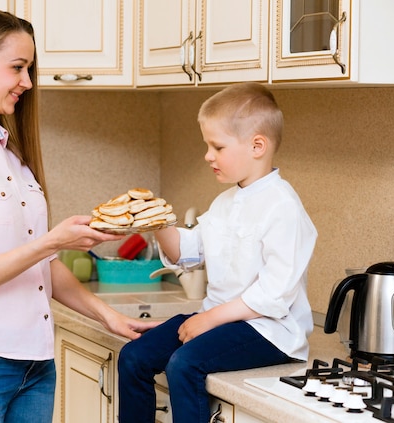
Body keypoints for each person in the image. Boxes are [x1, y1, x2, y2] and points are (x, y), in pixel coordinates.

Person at [0, 9, 158, 423]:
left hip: (37, 365)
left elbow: (42, 264)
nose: (28, 81)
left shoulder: (11, 155)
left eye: (30, 68)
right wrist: (51, 241)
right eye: (18, 67)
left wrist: (107, 315)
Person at [117, 82, 318, 423]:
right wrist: (156, 221)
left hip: (270, 332)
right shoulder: (225, 202)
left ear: (257, 146)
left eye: (217, 146)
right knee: (134, 357)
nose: (208, 155)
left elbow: (273, 295)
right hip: (220, 322)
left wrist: (208, 319)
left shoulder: (283, 207)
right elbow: (187, 253)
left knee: (185, 364)